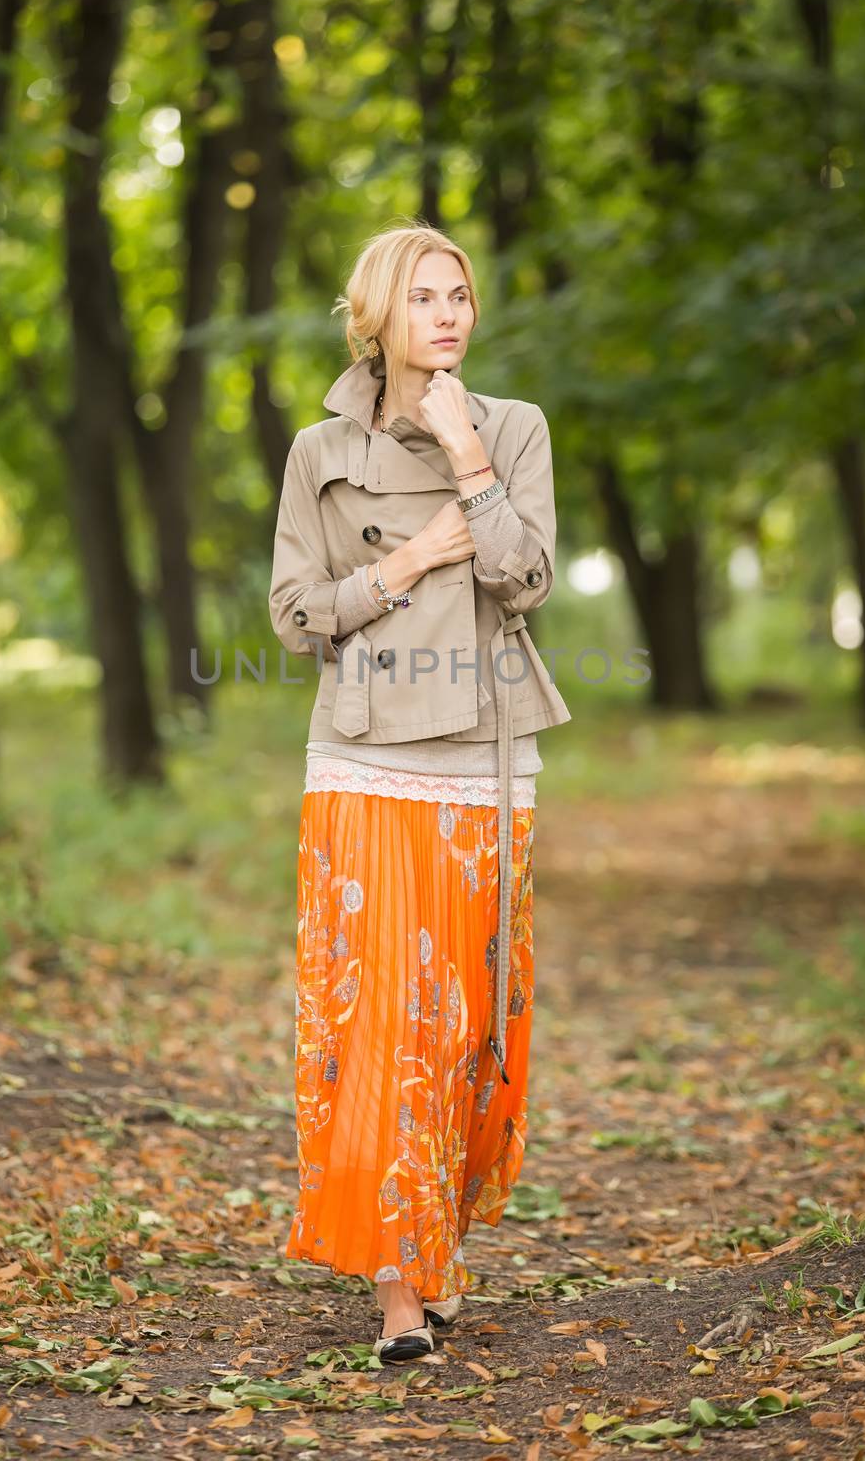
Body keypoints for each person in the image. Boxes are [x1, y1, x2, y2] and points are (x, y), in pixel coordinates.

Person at [268, 220, 571, 1362]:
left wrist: (469, 458)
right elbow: (295, 615)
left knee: (467, 1027)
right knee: (381, 1020)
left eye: (461, 295)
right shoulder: (317, 451)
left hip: (485, 759)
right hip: (363, 754)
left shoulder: (513, 428)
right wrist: (403, 563)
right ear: (377, 317)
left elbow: (526, 576)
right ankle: (399, 1289)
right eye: (423, 297)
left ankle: (432, 1240)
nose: (447, 314)